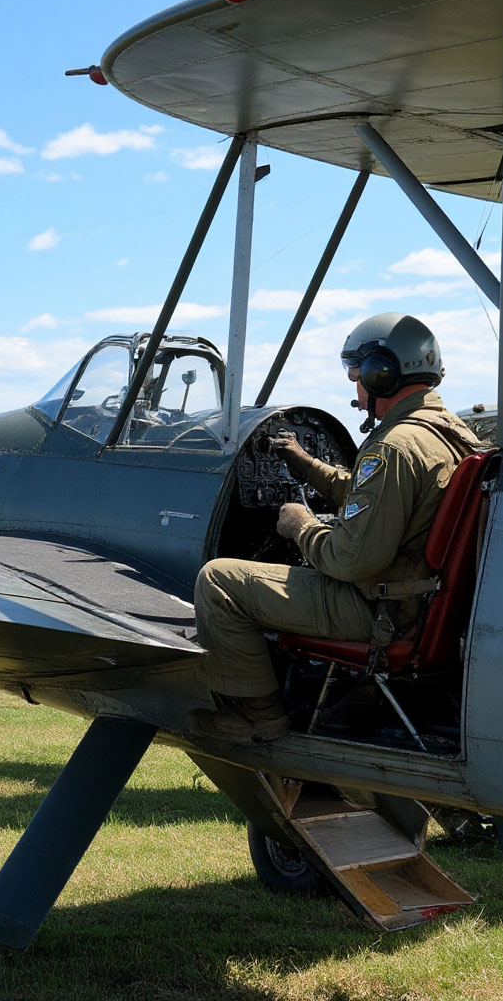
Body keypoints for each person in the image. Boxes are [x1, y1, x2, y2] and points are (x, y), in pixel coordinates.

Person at [188, 312, 480, 743]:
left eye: (357, 373)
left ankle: (258, 715)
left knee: (220, 581)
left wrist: (302, 526)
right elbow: (385, 499)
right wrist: (307, 466)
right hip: (423, 605)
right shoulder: (449, 434)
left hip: (382, 614)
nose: (356, 388)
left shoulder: (395, 447)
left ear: (383, 374)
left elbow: (349, 560)